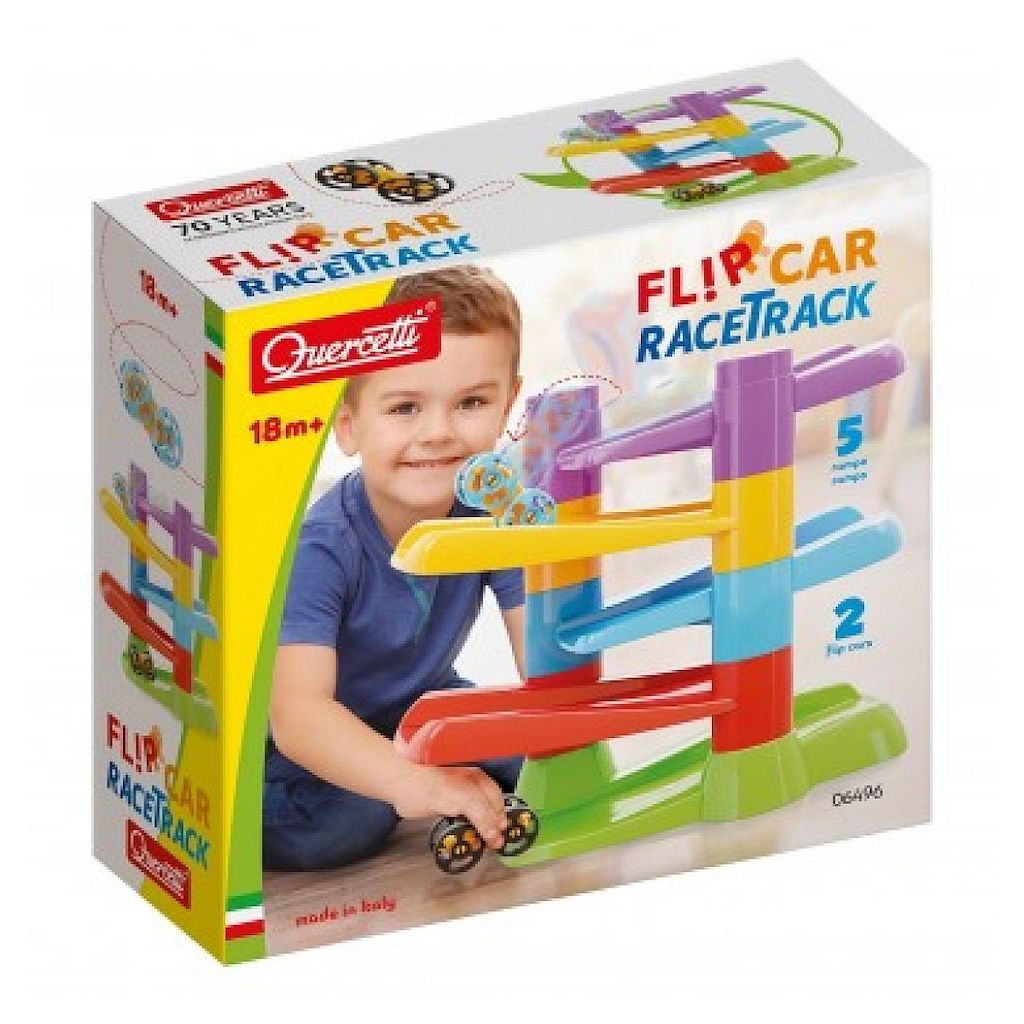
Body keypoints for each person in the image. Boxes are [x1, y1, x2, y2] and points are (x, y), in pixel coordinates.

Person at [263, 266, 527, 871]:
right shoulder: (320, 547)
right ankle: (405, 781)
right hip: (289, 752)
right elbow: (298, 716)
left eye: (472, 403)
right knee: (343, 821)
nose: (439, 433)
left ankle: (418, 774)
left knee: (524, 750)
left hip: (415, 708)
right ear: (348, 426)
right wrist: (414, 784)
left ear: (508, 405)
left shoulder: (496, 512)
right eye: (405, 407)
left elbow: (541, 655)